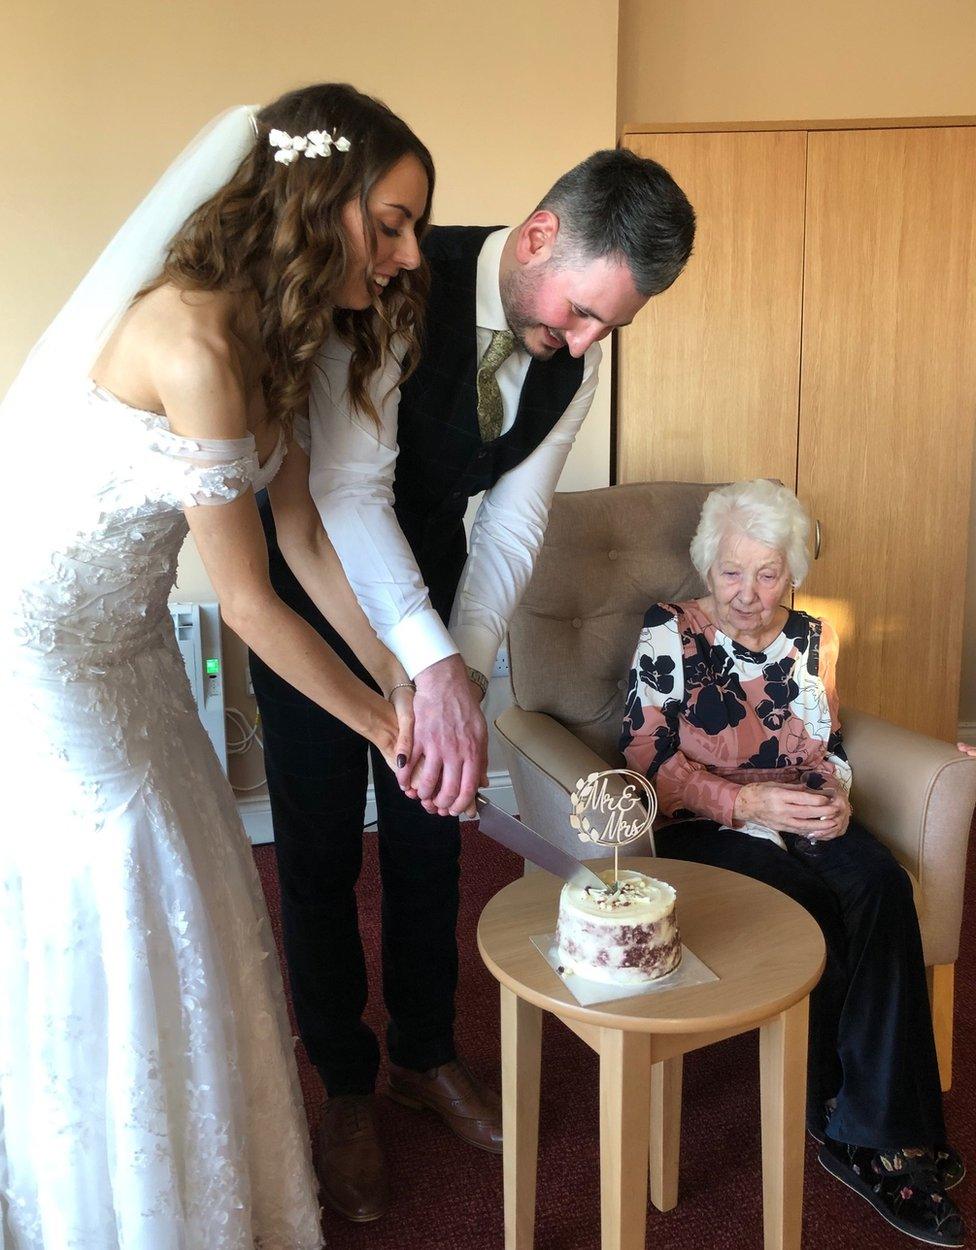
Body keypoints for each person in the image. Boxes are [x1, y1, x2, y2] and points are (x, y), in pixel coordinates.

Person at [1, 84, 434, 1249]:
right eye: (387, 223)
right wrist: (387, 732)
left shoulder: (277, 337)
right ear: (315, 200)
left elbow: (303, 540)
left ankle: (198, 1176)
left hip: (130, 635)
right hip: (46, 654)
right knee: (145, 884)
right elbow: (245, 599)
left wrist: (402, 675)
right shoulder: (189, 335)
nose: (401, 257)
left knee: (197, 873)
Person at [249, 149, 696, 1220]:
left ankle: (421, 1051)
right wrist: (426, 667)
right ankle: (345, 1083)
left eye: (609, 328)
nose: (586, 342)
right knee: (314, 845)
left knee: (428, 835)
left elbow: (513, 522)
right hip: (315, 585)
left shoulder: (575, 356)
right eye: (583, 311)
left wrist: (465, 667)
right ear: (538, 238)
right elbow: (349, 492)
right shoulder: (396, 280)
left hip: (437, 591)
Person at [620, 479, 965, 1248]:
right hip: (704, 825)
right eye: (732, 572)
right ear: (708, 566)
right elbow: (646, 761)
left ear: (794, 572)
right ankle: (875, 1134)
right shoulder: (668, 634)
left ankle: (862, 1131)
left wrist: (837, 797)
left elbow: (826, 748)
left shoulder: (812, 639)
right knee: (800, 904)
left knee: (878, 884)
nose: (748, 593)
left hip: (800, 813)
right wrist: (745, 806)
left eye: (768, 572)